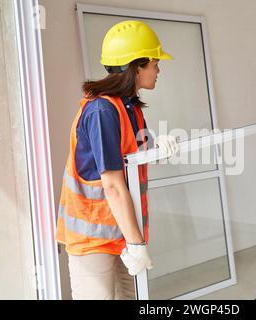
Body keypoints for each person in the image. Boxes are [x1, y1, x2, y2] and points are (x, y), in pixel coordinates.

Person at [55, 20, 179, 299]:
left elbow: (136, 157)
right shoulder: (102, 111)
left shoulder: (130, 108)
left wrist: (157, 146)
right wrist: (136, 242)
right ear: (137, 67)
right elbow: (111, 184)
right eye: (155, 63)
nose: (158, 70)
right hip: (93, 239)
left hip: (120, 232)